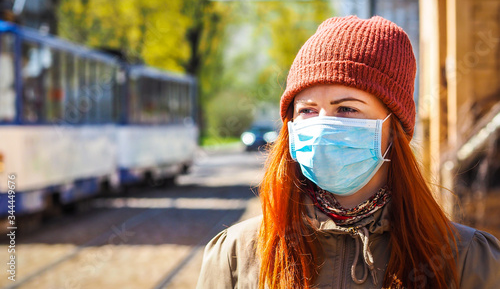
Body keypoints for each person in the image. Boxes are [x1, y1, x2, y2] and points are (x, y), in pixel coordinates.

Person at [196, 16, 500, 288]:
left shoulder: (466, 258)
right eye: (307, 110)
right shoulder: (238, 253)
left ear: (393, 127)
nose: (324, 125)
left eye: (347, 108)